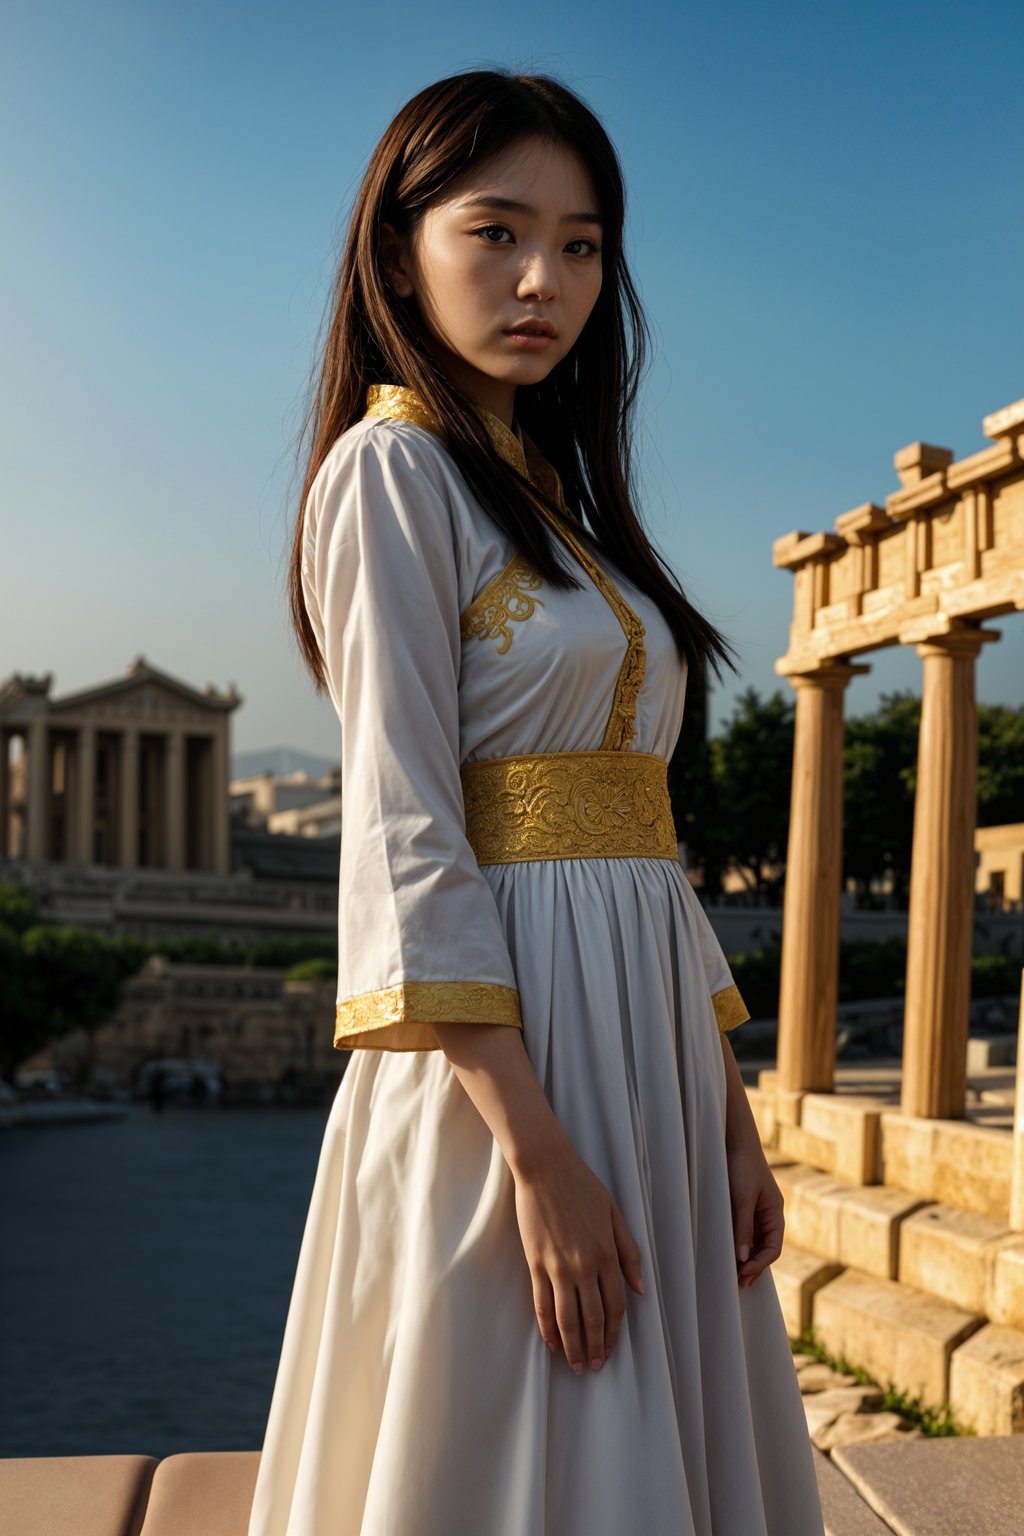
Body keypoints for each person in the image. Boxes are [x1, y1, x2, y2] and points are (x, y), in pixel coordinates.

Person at [247, 68, 825, 1536]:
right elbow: (399, 822)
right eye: (496, 231)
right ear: (398, 251)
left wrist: (729, 1120)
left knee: (654, 1422)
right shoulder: (390, 474)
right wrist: (536, 1151)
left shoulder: (556, 488)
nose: (540, 279)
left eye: (580, 246)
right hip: (510, 1059)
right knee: (527, 1425)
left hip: (641, 1034)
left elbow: (638, 830)